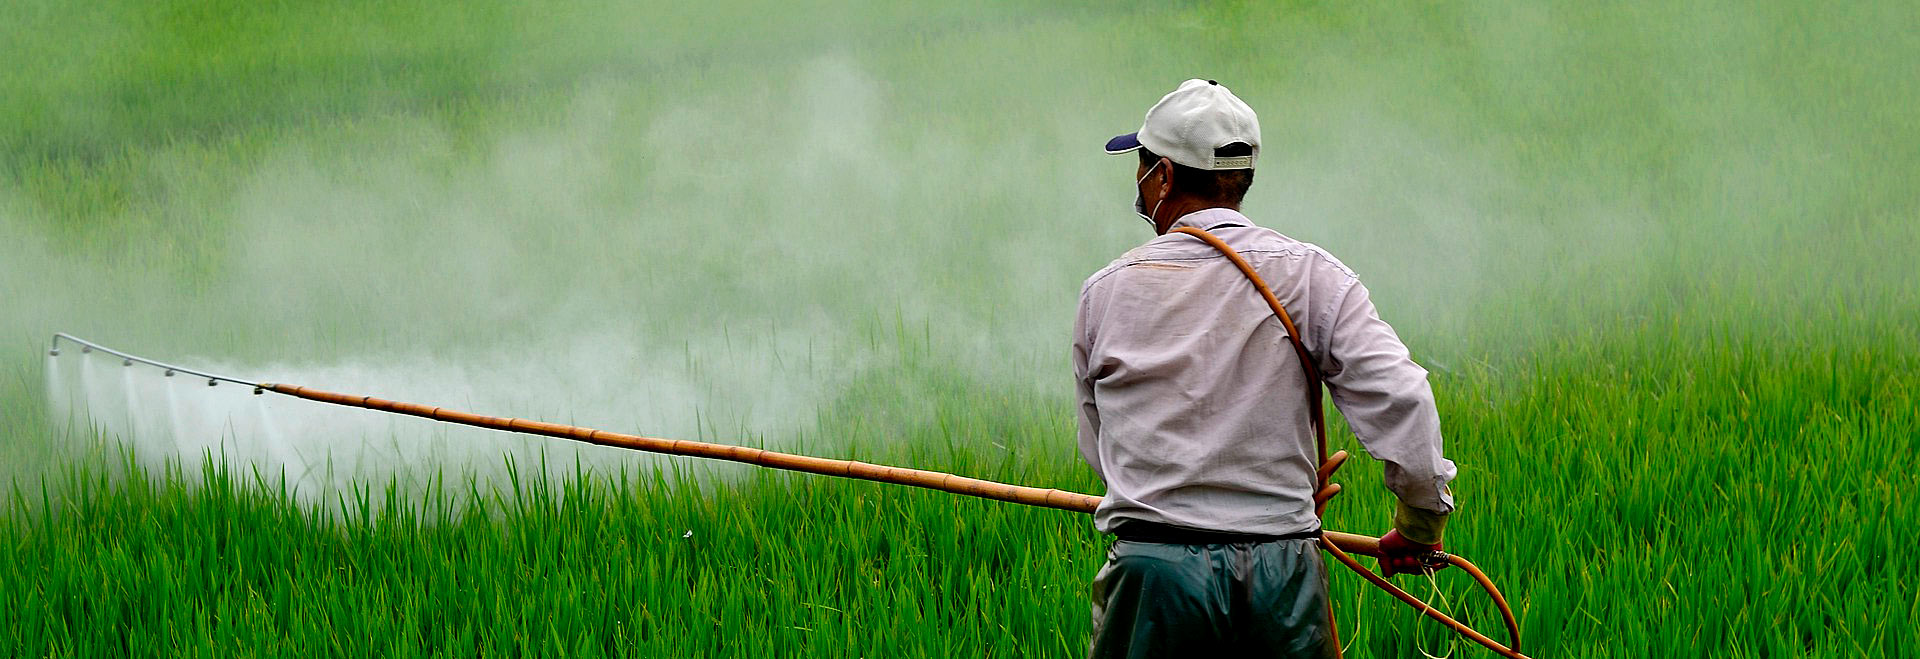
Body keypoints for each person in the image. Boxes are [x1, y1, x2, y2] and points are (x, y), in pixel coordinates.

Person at [1074, 79, 1458, 659]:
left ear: (1164, 178)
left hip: (1154, 575)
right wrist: (1418, 527)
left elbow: (1102, 450)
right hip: (1282, 574)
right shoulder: (1314, 277)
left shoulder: (1106, 292)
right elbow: (1403, 399)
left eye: (1142, 165)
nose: (1138, 181)